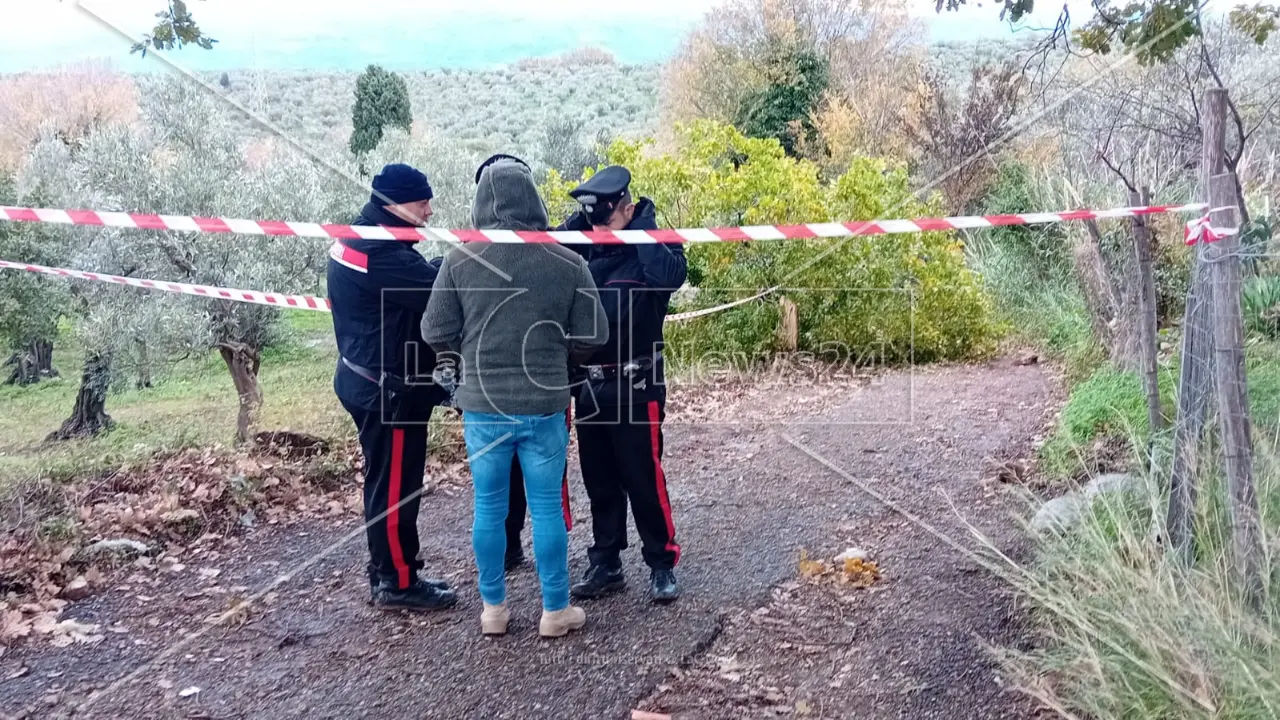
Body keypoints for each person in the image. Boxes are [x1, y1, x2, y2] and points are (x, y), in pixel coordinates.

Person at [422, 157, 609, 638]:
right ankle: (555, 610)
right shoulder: (568, 261)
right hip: (544, 401)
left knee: (488, 506)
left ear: (482, 202)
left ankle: (494, 611)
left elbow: (434, 328)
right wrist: (560, 354)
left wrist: (460, 353)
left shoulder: (461, 259)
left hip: (481, 404)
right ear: (536, 201)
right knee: (546, 506)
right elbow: (595, 333)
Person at [328, 163, 457, 612]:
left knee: (385, 482)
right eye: (422, 201)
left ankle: (389, 570)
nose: (429, 208)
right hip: (390, 394)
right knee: (396, 488)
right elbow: (437, 291)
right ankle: (396, 582)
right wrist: (460, 260)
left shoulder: (362, 236)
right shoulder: (382, 253)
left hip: (367, 379)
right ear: (395, 204)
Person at [559, 165, 688, 604]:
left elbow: (671, 276)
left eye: (608, 219)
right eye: (592, 220)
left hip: (638, 383)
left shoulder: (654, 245)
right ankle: (606, 563)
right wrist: (585, 225)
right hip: (590, 385)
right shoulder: (583, 246)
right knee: (599, 480)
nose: (600, 229)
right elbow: (546, 249)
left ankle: (661, 563)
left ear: (629, 209)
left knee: (644, 479)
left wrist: (642, 230)